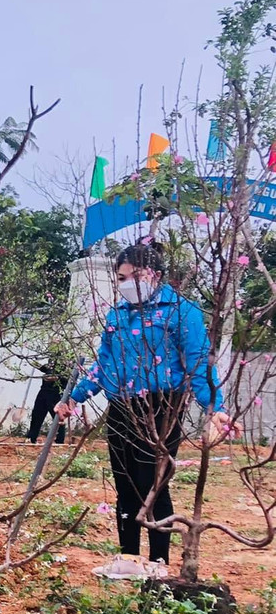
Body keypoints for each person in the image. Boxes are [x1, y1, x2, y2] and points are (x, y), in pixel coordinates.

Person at [55, 243, 235, 578]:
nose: (126, 283)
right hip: (121, 406)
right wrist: (75, 398)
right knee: (124, 482)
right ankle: (128, 557)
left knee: (153, 483)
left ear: (155, 274)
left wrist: (215, 408)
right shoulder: (117, 315)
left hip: (161, 407)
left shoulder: (181, 312)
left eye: (133, 276)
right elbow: (104, 365)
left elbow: (197, 363)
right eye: (121, 277)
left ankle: (159, 561)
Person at [27, 360, 68, 444]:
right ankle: (31, 437)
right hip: (43, 391)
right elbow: (44, 368)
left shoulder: (67, 363)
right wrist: (32, 361)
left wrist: (57, 378)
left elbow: (67, 379)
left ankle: (60, 440)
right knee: (36, 415)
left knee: (58, 417)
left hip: (56, 393)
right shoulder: (52, 361)